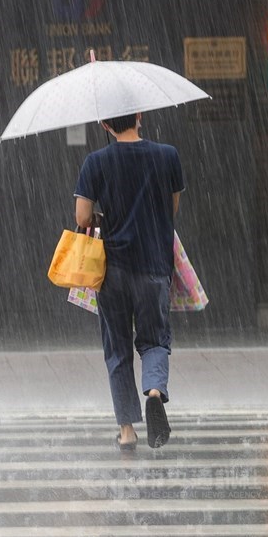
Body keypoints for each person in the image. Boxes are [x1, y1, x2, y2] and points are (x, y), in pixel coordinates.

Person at [74, 112, 184, 450]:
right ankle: (153, 390)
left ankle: (126, 430)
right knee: (154, 341)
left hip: (113, 269)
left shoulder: (95, 162)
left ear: (105, 125)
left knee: (117, 349)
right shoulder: (168, 155)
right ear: (139, 116)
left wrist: (104, 213)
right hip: (153, 266)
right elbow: (172, 209)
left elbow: (81, 218)